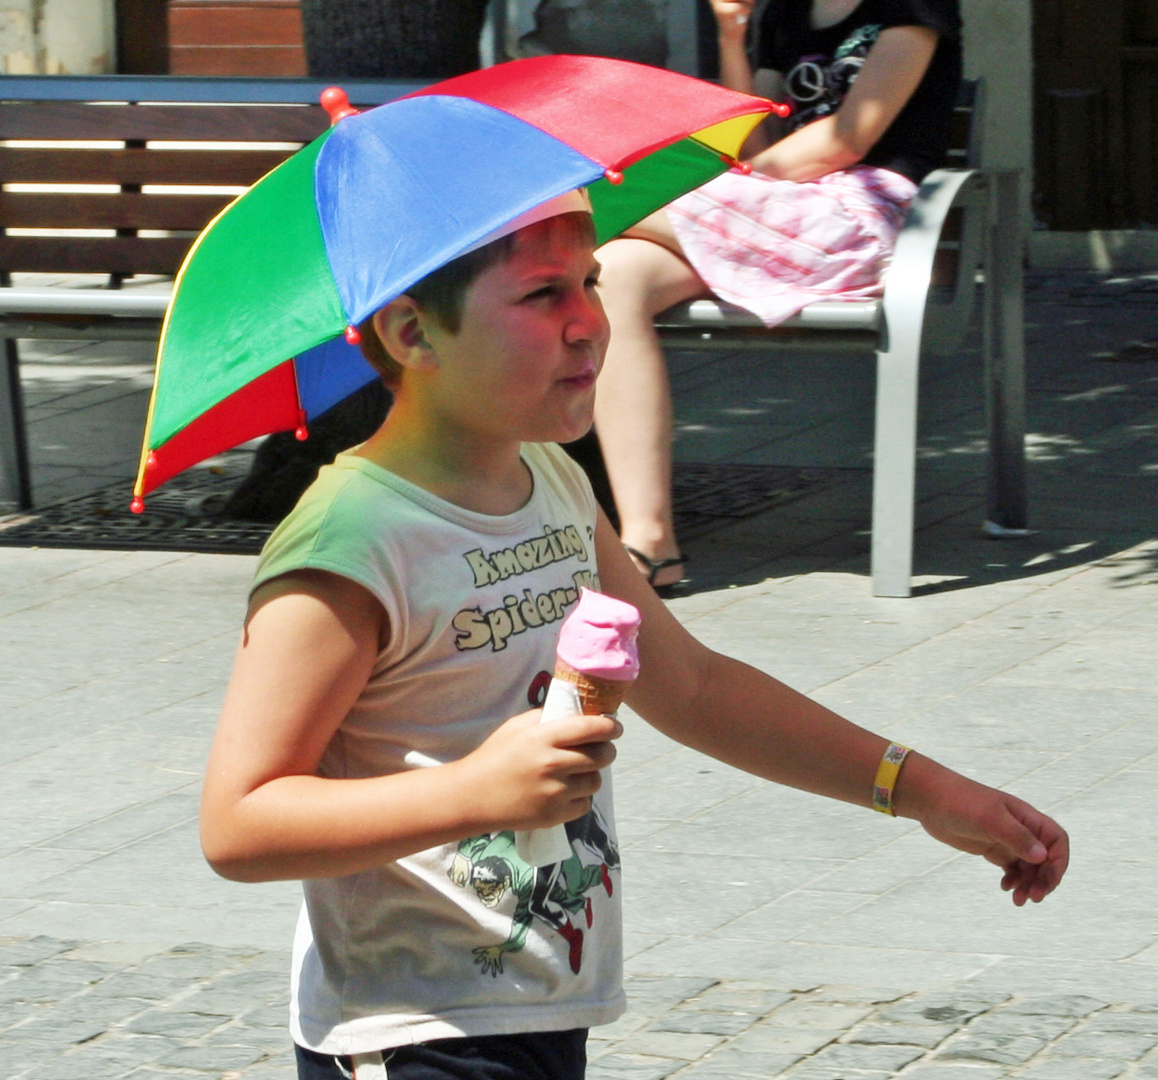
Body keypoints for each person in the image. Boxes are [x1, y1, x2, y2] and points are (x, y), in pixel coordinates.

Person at [199, 190, 1068, 1080]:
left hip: (537, 1008)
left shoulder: (549, 479)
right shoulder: (350, 544)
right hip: (414, 1028)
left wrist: (921, 788)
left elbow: (693, 687)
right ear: (413, 334)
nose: (589, 324)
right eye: (543, 296)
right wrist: (471, 793)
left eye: (591, 281)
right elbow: (239, 823)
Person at [593, 0, 963, 591]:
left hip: (854, 215)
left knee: (598, 203)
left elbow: (847, 139)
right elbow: (753, 137)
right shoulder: (783, 15)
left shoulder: (911, 6)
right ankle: (650, 542)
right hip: (765, 211)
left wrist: (723, 187)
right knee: (610, 276)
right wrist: (732, 37)